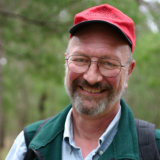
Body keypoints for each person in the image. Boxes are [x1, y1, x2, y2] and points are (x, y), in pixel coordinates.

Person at [6, 4, 160, 160]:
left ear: (128, 72)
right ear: (66, 62)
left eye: (108, 63)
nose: (91, 77)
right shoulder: (28, 145)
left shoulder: (154, 149)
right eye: (80, 59)